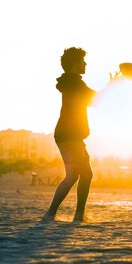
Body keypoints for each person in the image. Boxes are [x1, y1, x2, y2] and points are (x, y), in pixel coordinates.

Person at [42, 47, 119, 222]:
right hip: (69, 135)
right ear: (74, 64)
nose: (85, 64)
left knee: (86, 175)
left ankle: (77, 215)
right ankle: (50, 214)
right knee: (72, 176)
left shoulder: (72, 82)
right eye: (82, 61)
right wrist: (111, 86)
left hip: (73, 136)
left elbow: (93, 101)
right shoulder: (74, 83)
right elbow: (95, 101)